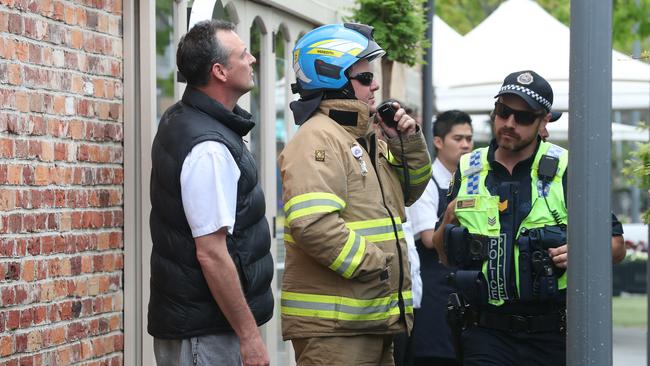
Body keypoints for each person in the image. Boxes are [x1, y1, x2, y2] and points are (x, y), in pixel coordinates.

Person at [431, 70, 626, 366]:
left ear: (543, 122)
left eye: (522, 117)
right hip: (484, 333)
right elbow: (442, 254)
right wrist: (447, 220)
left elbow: (616, 246)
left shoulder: (568, 168)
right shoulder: (468, 167)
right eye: (503, 111)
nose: (509, 123)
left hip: (551, 335)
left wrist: (581, 252)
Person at [278, 23, 431, 365]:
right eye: (364, 78)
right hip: (335, 330)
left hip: (370, 318)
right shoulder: (318, 139)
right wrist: (379, 265)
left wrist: (405, 142)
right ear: (334, 78)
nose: (375, 84)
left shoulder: (363, 137)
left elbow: (409, 193)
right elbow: (313, 225)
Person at [148, 20, 273, 366]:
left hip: (201, 325)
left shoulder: (186, 118)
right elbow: (212, 253)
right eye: (242, 54)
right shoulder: (208, 146)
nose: (252, 60)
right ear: (219, 71)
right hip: (207, 334)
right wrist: (249, 336)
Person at [407, 110, 473, 366]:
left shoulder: (470, 181)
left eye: (469, 138)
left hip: (464, 296)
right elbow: (427, 239)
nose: (466, 144)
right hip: (435, 299)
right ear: (437, 142)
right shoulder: (427, 182)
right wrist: (450, 215)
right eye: (458, 138)